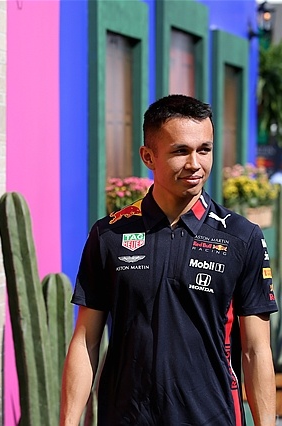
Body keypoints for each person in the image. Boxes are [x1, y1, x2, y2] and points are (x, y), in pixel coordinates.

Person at [60, 94, 278, 425]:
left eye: (204, 149)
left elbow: (256, 351)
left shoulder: (241, 237)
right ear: (148, 156)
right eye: (180, 151)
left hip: (213, 417)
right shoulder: (109, 235)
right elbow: (86, 341)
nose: (195, 163)